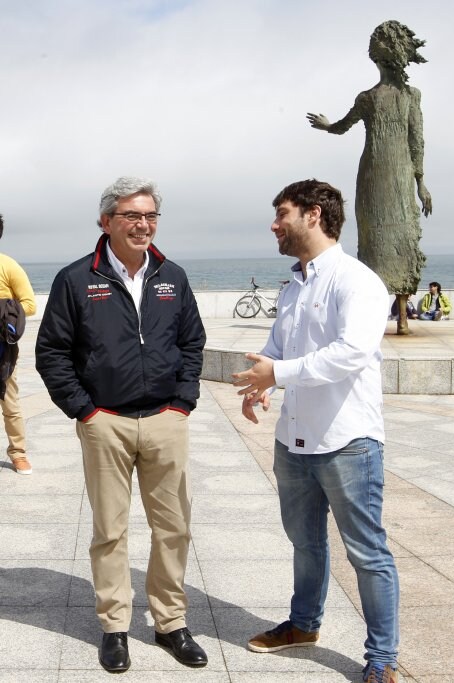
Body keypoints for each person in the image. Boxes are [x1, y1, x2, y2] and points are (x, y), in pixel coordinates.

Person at [35, 177, 207, 673]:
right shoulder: (74, 280)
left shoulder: (172, 276)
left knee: (173, 528)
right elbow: (52, 352)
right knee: (110, 531)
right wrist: (84, 411)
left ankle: (170, 623)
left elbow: (192, 343)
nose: (143, 225)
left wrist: (183, 402)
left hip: (165, 420)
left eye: (151, 216)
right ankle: (114, 627)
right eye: (132, 215)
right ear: (106, 221)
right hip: (105, 422)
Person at [232, 179, 400, 683]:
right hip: (294, 440)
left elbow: (351, 353)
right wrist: (264, 382)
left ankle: (383, 658)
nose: (274, 224)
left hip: (348, 442)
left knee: (367, 553)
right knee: (305, 543)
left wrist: (277, 375)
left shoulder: (357, 281)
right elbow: (279, 349)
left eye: (281, 213)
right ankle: (304, 625)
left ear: (312, 214)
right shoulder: (294, 287)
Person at [306, 20, 431, 304]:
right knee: (376, 233)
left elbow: (416, 140)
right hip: (376, 175)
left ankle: (395, 302)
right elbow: (418, 141)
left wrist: (420, 182)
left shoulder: (401, 96)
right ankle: (393, 306)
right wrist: (421, 181)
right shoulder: (373, 98)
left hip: (392, 173)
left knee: (400, 229)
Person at [0, 214, 36, 475]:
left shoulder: (8, 266)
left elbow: (30, 305)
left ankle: (18, 452)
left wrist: (4, 311)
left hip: (2, 348)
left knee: (10, 403)